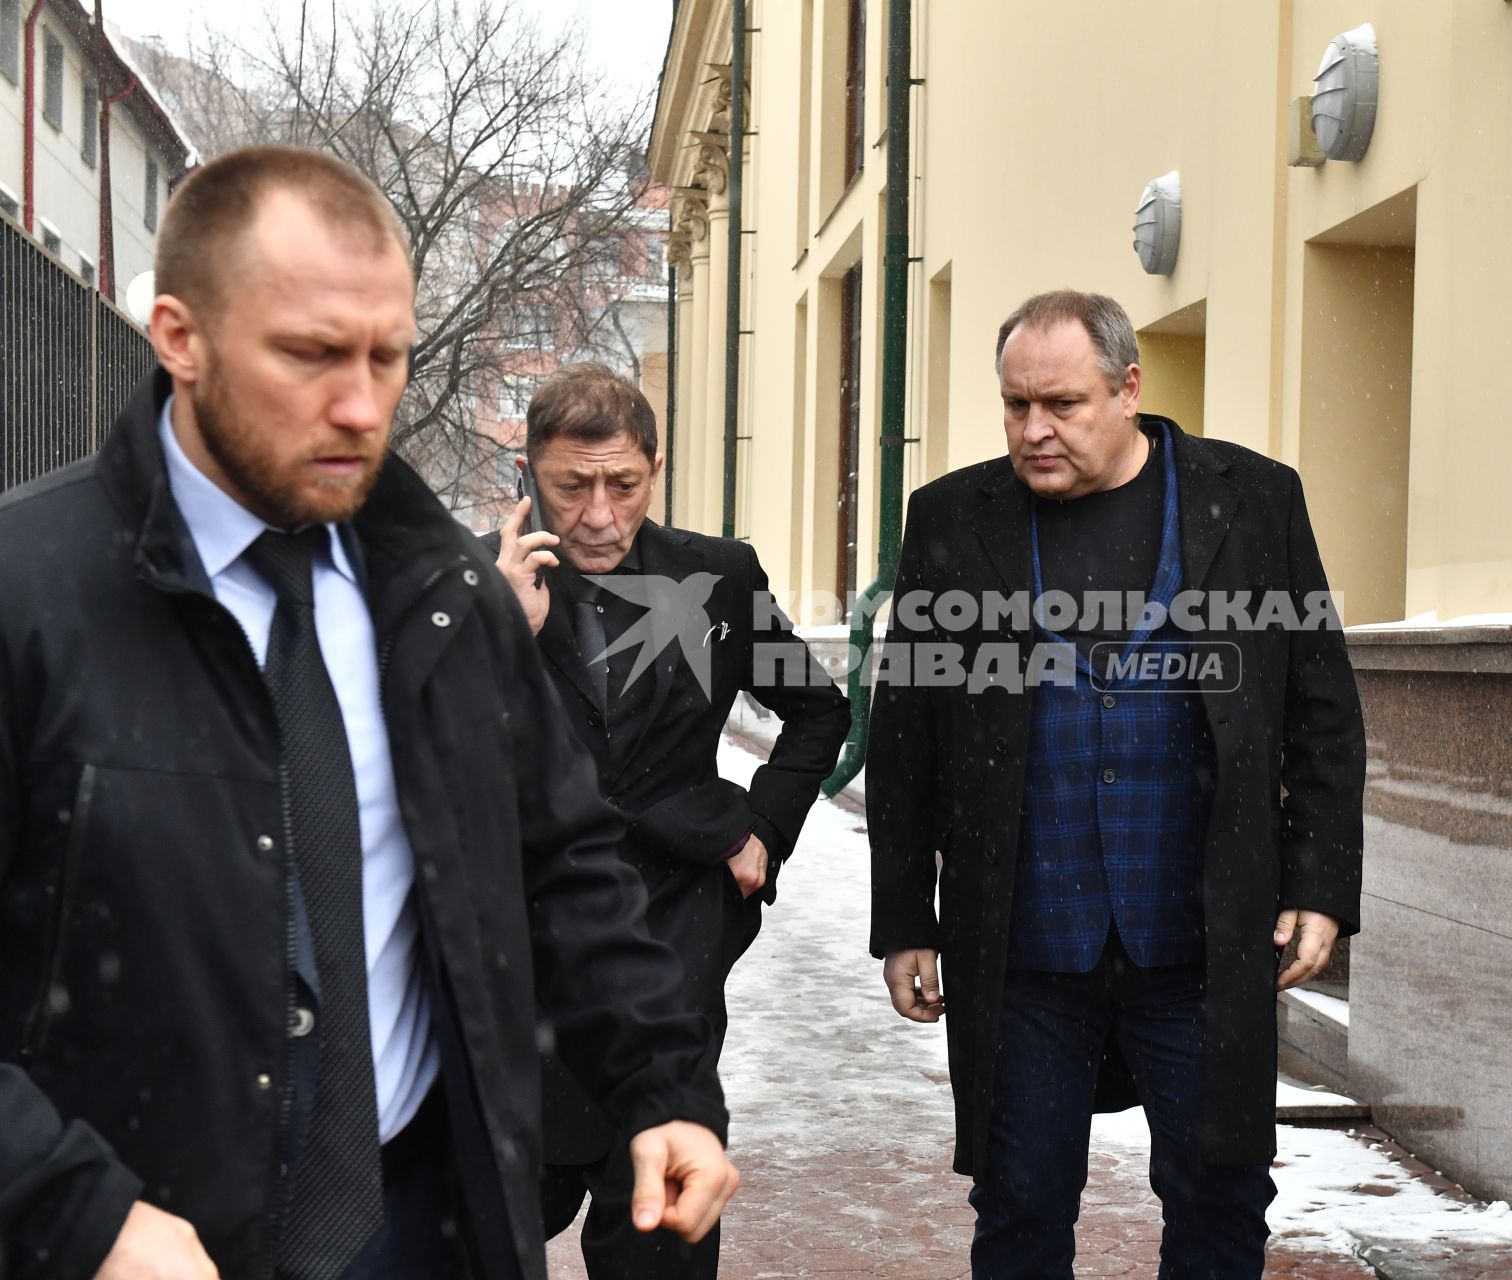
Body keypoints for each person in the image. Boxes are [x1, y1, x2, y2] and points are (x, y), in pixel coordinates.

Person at [0, 145, 738, 1280]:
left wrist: (663, 1088)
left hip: (425, 1223)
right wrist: (78, 1210)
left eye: (388, 357)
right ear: (179, 337)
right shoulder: (26, 590)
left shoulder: (445, 595)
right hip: (139, 1246)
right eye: (310, 353)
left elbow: (564, 859)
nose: (360, 403)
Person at [866, 290, 1367, 1278]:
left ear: (1129, 387)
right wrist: (904, 916)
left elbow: (1321, 707)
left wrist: (1319, 884)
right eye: (1015, 405)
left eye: (1061, 403)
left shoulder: (1252, 499)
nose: (1033, 429)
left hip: (1201, 942)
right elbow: (906, 733)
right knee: (1018, 1205)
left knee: (1222, 1199)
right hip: (1023, 945)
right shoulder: (952, 519)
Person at [489, 363, 851, 1279]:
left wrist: (765, 828)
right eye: (571, 488)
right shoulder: (475, 583)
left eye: (624, 484)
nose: (600, 515)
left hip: (672, 942)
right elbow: (422, 756)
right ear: (529, 472)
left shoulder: (717, 577)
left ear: (657, 466)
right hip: (522, 953)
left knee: (658, 1238)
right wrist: (500, 639)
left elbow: (818, 711)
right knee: (486, 1230)